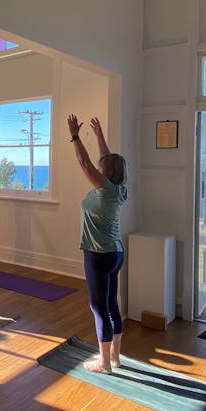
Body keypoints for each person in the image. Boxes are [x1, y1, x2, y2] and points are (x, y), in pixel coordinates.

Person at [67, 114, 128, 374]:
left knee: (99, 307)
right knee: (112, 304)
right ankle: (114, 357)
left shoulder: (105, 190)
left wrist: (75, 136)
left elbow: (84, 162)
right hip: (115, 252)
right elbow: (106, 161)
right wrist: (100, 135)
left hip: (98, 254)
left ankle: (103, 363)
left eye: (102, 168)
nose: (99, 169)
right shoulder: (119, 190)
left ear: (105, 173)